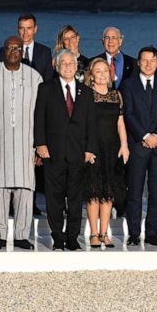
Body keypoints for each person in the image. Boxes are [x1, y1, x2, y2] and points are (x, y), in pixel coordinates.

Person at [33, 49, 98, 251]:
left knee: (75, 198)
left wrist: (90, 149)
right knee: (54, 198)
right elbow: (39, 119)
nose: (68, 67)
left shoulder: (85, 92)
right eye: (64, 63)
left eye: (71, 63)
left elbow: (91, 124)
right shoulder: (45, 88)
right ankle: (58, 238)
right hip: (53, 152)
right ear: (56, 65)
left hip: (78, 153)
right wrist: (40, 144)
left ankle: (72, 238)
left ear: (76, 65)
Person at [0, 37, 42, 251]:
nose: (14, 51)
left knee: (25, 190)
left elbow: (40, 113)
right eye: (10, 48)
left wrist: (40, 145)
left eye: (18, 48)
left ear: (23, 52)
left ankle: (21, 235)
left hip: (27, 143)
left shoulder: (34, 77)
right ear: (3, 50)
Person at [120, 46, 157, 247]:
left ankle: (152, 233)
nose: (148, 64)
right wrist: (144, 135)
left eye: (152, 60)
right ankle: (134, 233)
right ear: (138, 62)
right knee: (134, 192)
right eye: (144, 60)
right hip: (138, 145)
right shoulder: (128, 85)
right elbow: (128, 114)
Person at [82, 58, 128, 249]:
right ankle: (93, 233)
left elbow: (120, 122)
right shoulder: (86, 95)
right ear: (91, 75)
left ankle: (104, 232)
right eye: (98, 71)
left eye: (105, 71)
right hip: (93, 148)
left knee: (108, 192)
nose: (102, 74)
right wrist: (86, 148)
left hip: (112, 147)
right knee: (93, 191)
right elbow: (82, 124)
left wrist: (124, 145)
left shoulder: (116, 95)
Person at [0, 13, 53, 81]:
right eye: (22, 28)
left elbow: (48, 80)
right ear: (18, 30)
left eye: (29, 28)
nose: (25, 33)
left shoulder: (45, 52)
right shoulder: (5, 51)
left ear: (35, 29)